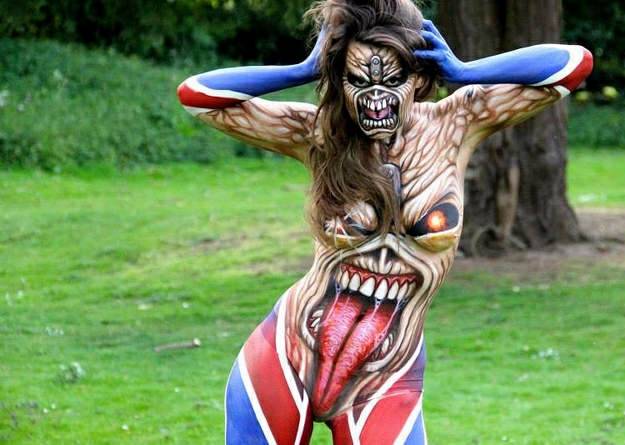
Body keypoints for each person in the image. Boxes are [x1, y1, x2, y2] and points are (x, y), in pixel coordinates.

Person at [177, 0, 592, 443]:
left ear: (418, 76)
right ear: (339, 80)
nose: (375, 98)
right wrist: (304, 69)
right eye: (357, 81)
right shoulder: (321, 135)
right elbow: (199, 96)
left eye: (393, 80)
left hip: (386, 377)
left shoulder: (456, 124)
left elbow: (571, 64)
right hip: (287, 355)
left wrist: (465, 70)